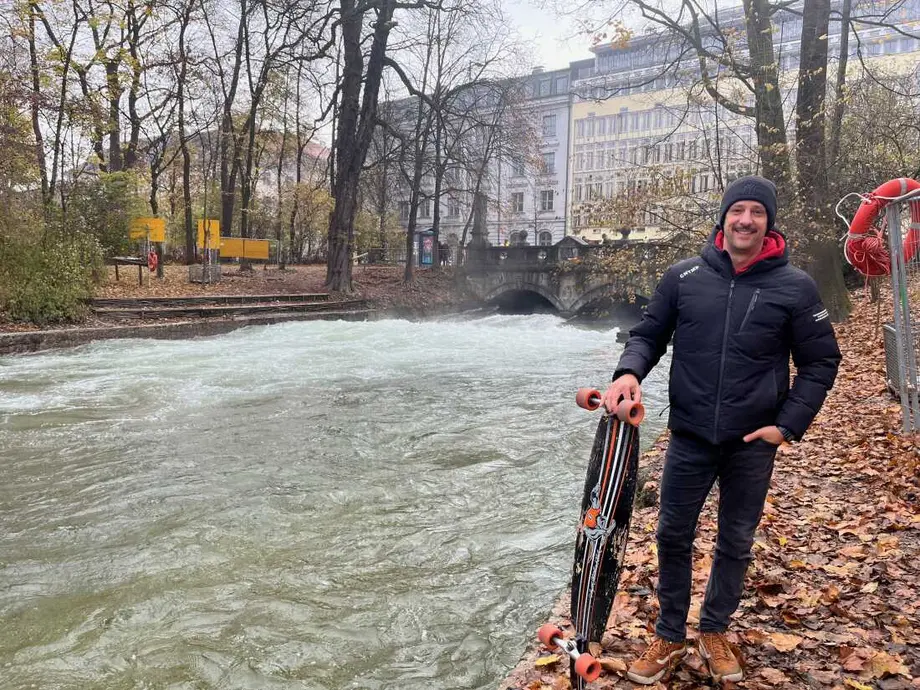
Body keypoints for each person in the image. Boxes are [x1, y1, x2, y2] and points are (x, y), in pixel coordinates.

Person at [601, 176, 841, 684]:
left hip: (752, 442)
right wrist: (628, 372)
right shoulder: (684, 277)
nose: (746, 220)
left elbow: (821, 361)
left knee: (735, 539)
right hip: (689, 435)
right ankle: (669, 634)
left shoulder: (795, 286)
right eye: (738, 210)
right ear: (724, 217)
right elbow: (647, 336)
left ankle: (714, 630)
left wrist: (787, 426)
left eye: (757, 212)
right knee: (672, 534)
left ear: (769, 222)